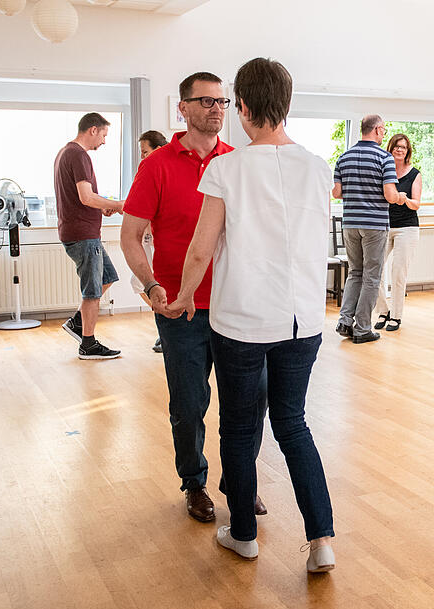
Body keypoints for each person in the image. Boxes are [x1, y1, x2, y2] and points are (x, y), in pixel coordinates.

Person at [167, 57, 336, 573]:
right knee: (293, 425)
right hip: (302, 321)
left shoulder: (227, 167)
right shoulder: (316, 166)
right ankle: (322, 541)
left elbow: (200, 250)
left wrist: (180, 299)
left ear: (242, 107)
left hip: (240, 323)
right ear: (285, 105)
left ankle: (243, 535)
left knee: (239, 431)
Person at [121, 73, 267, 524]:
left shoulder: (238, 162)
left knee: (249, 402)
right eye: (205, 101)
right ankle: (195, 482)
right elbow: (130, 236)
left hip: (234, 305)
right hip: (180, 309)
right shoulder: (157, 165)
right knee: (189, 404)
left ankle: (238, 481)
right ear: (182, 108)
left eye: (222, 101)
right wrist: (151, 286)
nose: (217, 108)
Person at [55, 112, 124, 360]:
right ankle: (88, 344)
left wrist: (102, 205)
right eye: (104, 135)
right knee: (92, 291)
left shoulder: (66, 152)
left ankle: (76, 322)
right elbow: (86, 197)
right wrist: (118, 204)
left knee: (108, 276)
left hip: (82, 231)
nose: (104, 141)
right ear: (93, 130)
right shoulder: (78, 154)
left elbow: (83, 198)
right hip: (83, 234)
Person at [333, 115, 404, 343]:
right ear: (377, 130)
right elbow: (389, 195)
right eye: (383, 131)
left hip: (350, 223)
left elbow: (336, 192)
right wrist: (400, 197)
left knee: (355, 273)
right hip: (374, 224)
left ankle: (345, 321)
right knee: (372, 277)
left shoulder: (344, 157)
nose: (384, 135)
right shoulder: (384, 158)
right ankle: (363, 328)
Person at [374, 133, 422, 332]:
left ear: (407, 151)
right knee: (374, 271)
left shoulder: (414, 174)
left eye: (403, 147)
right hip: (385, 226)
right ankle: (383, 311)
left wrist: (404, 199)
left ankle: (396, 316)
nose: (399, 150)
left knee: (398, 273)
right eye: (396, 147)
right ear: (391, 148)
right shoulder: (384, 171)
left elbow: (417, 204)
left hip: (407, 228)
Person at [130, 130, 168, 353]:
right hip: (145, 235)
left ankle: (165, 326)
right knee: (140, 283)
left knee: (146, 283)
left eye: (145, 152)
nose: (143, 157)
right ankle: (163, 326)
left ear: (158, 149)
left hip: (153, 237)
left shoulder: (160, 169)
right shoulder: (147, 170)